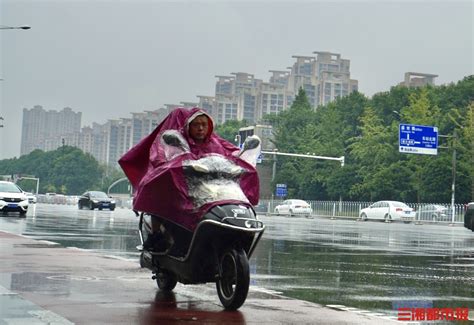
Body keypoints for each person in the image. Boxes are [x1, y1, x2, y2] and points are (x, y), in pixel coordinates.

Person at [119, 107, 259, 252]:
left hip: (210, 189)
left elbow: (232, 154)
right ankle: (156, 236)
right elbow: (161, 157)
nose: (200, 128)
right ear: (188, 126)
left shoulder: (216, 142)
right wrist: (173, 165)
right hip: (183, 185)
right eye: (196, 124)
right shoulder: (173, 141)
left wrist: (243, 157)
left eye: (204, 124)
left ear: (209, 126)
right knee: (159, 192)